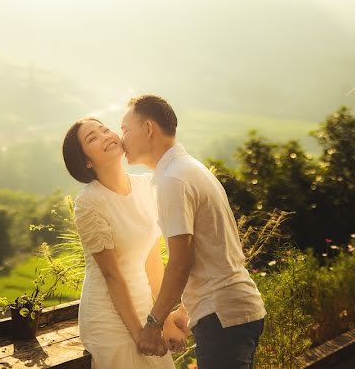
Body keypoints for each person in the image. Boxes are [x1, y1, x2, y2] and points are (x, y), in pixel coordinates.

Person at [122, 95, 266, 368]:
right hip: (235, 312)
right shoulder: (189, 168)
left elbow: (180, 263)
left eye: (126, 129)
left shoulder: (174, 179)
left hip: (222, 318)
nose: (121, 139)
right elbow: (210, 251)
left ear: (149, 129)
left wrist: (154, 324)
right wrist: (185, 311)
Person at [62, 117, 187, 368]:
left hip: (145, 306)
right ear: (86, 161)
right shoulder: (89, 202)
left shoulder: (145, 186)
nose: (105, 135)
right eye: (92, 138)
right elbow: (111, 275)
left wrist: (164, 318)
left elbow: (153, 260)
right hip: (106, 316)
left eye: (105, 129)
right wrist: (139, 333)